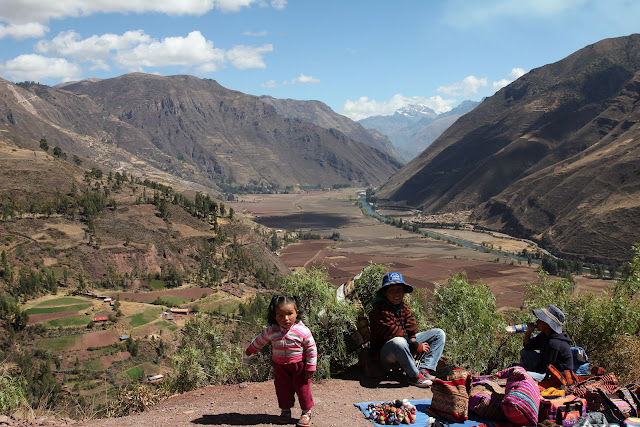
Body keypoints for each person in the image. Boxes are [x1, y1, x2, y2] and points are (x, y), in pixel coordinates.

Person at [246, 295, 317, 426]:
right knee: (282, 389)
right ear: (274, 316)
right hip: (280, 367)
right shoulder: (272, 331)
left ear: (297, 312)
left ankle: (306, 412)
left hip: (299, 367)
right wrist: (251, 349)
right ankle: (285, 411)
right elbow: (260, 339)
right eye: (280, 315)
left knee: (303, 389)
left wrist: (310, 367)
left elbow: (311, 349)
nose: (286, 319)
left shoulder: (302, 331)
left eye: (290, 314)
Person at [368, 272, 446, 387]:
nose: (397, 294)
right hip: (385, 352)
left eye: (399, 290)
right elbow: (394, 332)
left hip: (405, 342)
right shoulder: (379, 308)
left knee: (438, 334)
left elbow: (411, 325)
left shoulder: (402, 305)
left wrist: (413, 341)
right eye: (392, 290)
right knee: (399, 342)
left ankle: (424, 368)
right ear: (385, 292)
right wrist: (416, 346)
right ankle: (414, 376)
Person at [520, 304, 573, 382]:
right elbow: (528, 347)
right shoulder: (544, 336)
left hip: (558, 376)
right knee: (524, 352)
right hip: (545, 369)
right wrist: (528, 333)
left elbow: (546, 368)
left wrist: (528, 370)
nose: (537, 322)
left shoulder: (554, 343)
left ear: (548, 324)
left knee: (522, 375)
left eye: (540, 320)